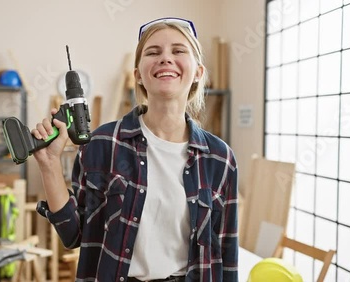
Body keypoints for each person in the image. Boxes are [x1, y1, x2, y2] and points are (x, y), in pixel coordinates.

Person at [32, 17, 238, 282]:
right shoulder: (102, 144)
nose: (165, 58)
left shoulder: (220, 159)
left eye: (178, 51)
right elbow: (74, 235)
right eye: (153, 52)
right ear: (138, 75)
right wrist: (49, 166)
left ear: (198, 72)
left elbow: (227, 255)